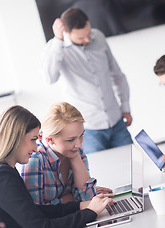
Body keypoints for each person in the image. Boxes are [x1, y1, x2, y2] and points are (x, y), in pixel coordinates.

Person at [0, 105, 113, 228]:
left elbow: (36, 211)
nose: (35, 148)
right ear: (15, 139)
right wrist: (90, 213)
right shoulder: (2, 176)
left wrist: (80, 206)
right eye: (33, 140)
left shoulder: (2, 170)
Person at [42, 7, 133, 154]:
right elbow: (50, 78)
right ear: (66, 33)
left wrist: (126, 108)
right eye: (80, 38)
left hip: (116, 122)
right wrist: (58, 41)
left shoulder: (99, 37)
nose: (87, 39)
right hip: (88, 130)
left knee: (132, 164)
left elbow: (117, 75)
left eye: (88, 33)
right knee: (98, 174)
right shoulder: (55, 48)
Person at [21, 102, 112, 205]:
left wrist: (75, 159)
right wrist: (73, 198)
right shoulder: (35, 160)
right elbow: (36, 210)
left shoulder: (77, 153)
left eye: (81, 135)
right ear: (50, 140)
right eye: (70, 140)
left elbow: (88, 199)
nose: (79, 145)